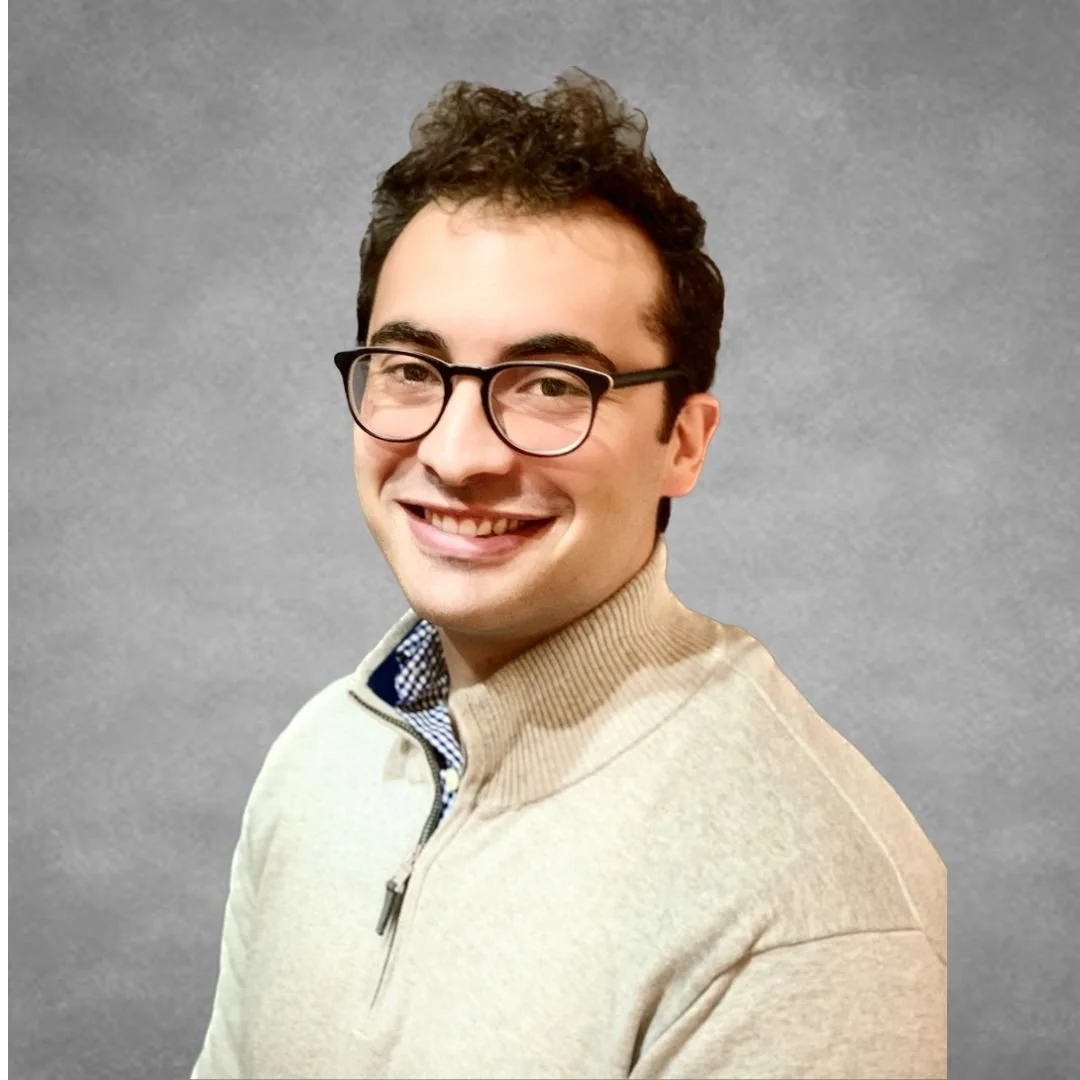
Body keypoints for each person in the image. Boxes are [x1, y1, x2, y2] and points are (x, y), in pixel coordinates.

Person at [192, 69, 946, 1080]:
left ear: (682, 440)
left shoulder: (810, 902)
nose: (459, 454)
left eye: (551, 385)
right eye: (412, 369)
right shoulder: (318, 755)